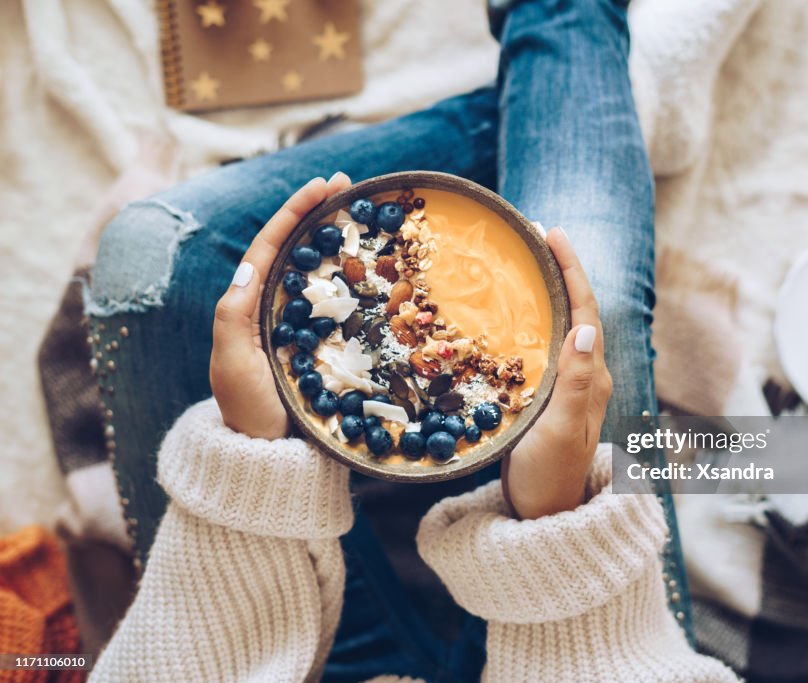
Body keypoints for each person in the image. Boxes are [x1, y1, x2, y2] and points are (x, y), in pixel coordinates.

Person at [86, 0, 722, 679]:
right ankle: (587, 60)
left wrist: (252, 469)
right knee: (602, 304)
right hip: (578, 637)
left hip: (311, 658)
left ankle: (582, 86)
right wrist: (554, 510)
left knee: (144, 249)